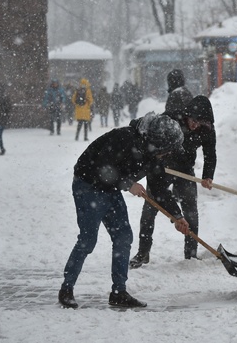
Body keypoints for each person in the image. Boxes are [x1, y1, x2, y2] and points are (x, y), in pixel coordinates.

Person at [58, 112, 190, 309]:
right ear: (159, 141)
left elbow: (159, 188)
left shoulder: (153, 154)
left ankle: (119, 292)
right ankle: (66, 289)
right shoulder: (123, 138)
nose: (169, 154)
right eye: (168, 149)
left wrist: (177, 216)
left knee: (123, 237)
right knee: (87, 240)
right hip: (88, 184)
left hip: (109, 188)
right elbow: (102, 167)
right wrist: (128, 184)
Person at [130, 95, 217, 267]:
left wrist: (208, 175)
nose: (195, 125)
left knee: (190, 209)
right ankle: (143, 253)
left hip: (185, 169)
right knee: (151, 207)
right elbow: (153, 141)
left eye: (199, 123)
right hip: (160, 166)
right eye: (193, 121)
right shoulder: (171, 119)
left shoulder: (206, 129)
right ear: (187, 115)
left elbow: (210, 153)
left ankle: (190, 255)